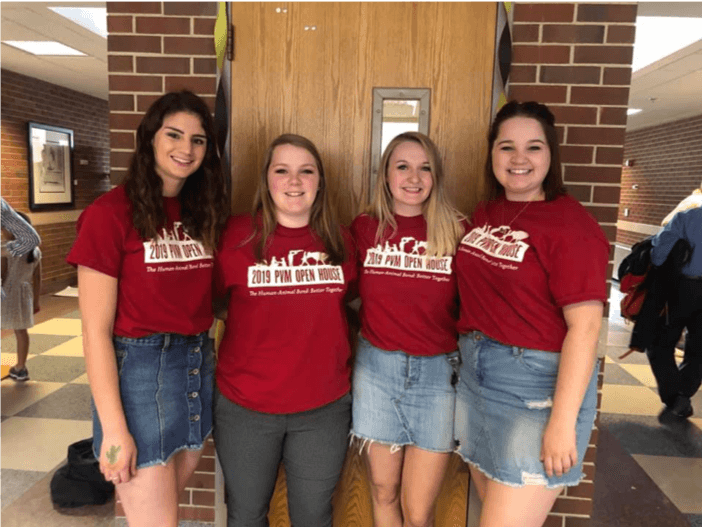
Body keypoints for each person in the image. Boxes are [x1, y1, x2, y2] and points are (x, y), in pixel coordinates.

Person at [66, 91, 229, 526]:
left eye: (198, 140)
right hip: (139, 374)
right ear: (150, 139)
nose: (186, 148)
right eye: (174, 135)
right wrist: (114, 429)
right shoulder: (110, 214)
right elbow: (95, 332)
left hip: (196, 364)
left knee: (159, 513)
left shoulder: (202, 212)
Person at [454, 101, 610, 527]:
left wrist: (561, 423)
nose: (519, 159)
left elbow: (586, 328)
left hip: (534, 390)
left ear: (550, 155)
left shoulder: (571, 226)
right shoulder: (487, 213)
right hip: (474, 377)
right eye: (507, 147)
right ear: (492, 155)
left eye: (533, 147)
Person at [213, 134, 356, 527]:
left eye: (306, 171)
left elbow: (354, 301)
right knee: (245, 515)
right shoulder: (234, 237)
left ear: (320, 181)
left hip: (323, 409)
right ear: (266, 179)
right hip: (245, 408)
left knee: (313, 516)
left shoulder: (342, 241)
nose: (294, 181)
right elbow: (213, 302)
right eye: (282, 171)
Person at [349, 132, 464, 527]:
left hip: (436, 377)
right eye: (403, 166)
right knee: (383, 492)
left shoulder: (457, 231)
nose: (414, 177)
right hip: (376, 371)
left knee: (418, 510)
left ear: (436, 177)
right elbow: (338, 294)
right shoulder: (365, 228)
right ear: (385, 175)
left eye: (425, 168)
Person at [646, 206, 702, 419]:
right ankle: (684, 394)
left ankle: (673, 396)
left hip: (682, 288)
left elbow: (659, 255)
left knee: (660, 343)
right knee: (699, 349)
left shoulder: (688, 217)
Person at [1, 210, 42, 381]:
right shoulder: (35, 250)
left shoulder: (6, 249)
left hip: (6, 293)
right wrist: (36, 301)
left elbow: (1, 275)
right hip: (25, 293)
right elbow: (38, 277)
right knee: (21, 331)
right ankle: (20, 367)